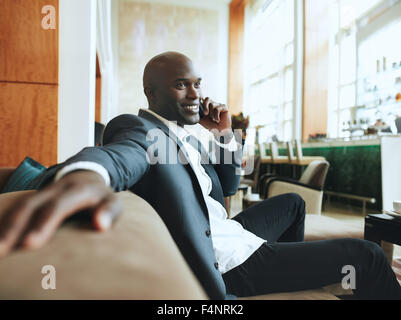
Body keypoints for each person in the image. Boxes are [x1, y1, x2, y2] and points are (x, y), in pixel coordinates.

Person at [0, 52, 400, 300]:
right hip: (228, 260)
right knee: (364, 255)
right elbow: (123, 154)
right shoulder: (142, 129)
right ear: (151, 95)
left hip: (226, 230)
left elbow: (227, 186)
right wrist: (88, 174)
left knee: (293, 204)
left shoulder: (187, 137)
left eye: (197, 84)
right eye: (180, 85)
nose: (194, 94)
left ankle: (288, 274)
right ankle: (272, 274)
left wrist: (223, 132)